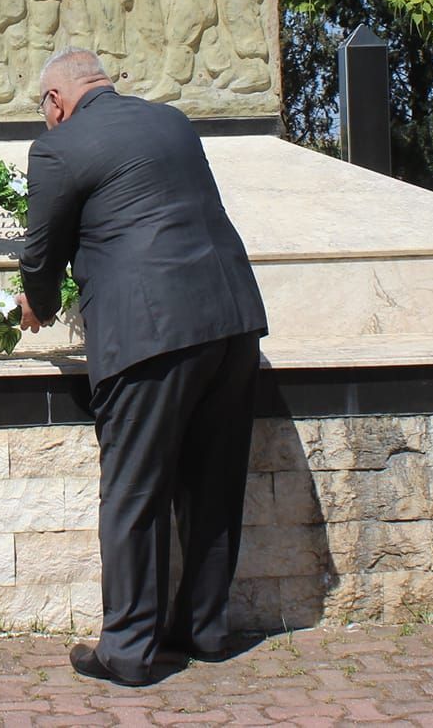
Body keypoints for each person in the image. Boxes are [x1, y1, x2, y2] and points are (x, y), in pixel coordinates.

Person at [17, 48, 268, 687]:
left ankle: (128, 649)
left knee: (133, 489)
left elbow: (42, 250)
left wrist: (37, 307)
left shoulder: (58, 148)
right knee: (213, 486)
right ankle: (206, 631)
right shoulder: (172, 120)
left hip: (149, 332)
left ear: (55, 101)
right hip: (231, 319)